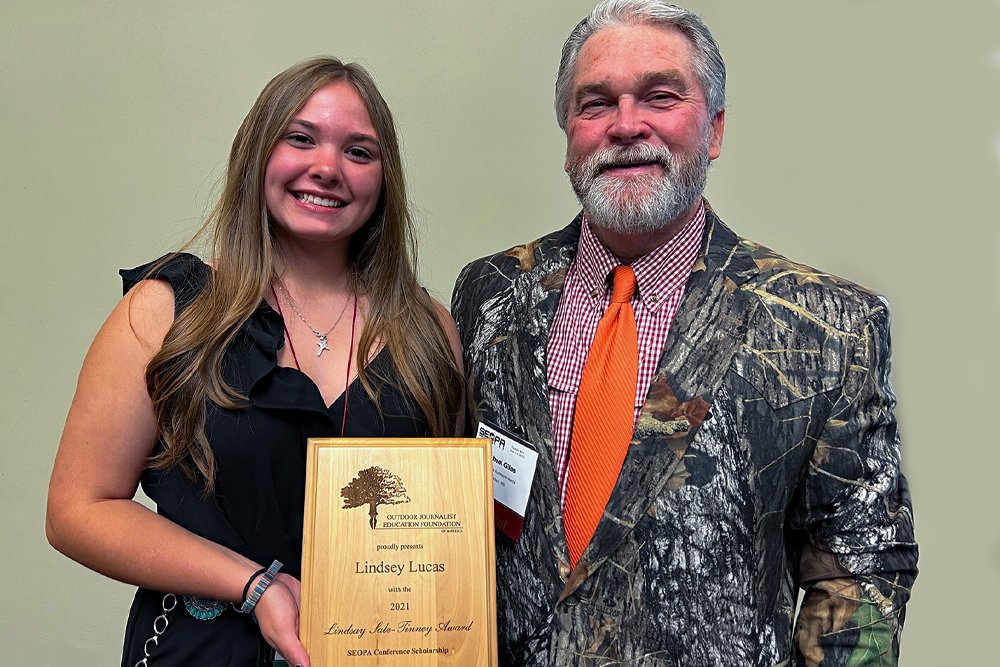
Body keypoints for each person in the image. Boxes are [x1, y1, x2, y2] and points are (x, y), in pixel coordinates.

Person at [451, 1, 917, 664]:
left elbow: (860, 569)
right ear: (567, 137)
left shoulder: (829, 326)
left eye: (660, 96)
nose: (626, 125)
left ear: (715, 128)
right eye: (595, 104)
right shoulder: (490, 295)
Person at [46, 57, 464, 667]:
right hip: (204, 650)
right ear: (257, 155)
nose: (327, 168)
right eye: (301, 139)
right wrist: (254, 586)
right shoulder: (168, 312)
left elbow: (444, 529)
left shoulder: (427, 331)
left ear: (384, 179)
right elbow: (78, 511)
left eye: (359, 151)